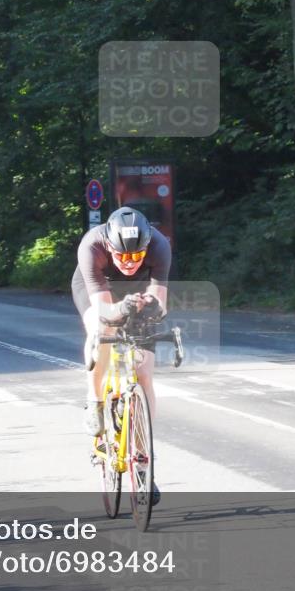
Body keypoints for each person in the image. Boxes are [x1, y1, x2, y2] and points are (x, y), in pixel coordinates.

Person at [71, 208, 170, 496]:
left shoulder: (159, 245)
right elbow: (103, 310)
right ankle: (95, 401)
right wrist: (120, 309)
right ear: (110, 246)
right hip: (97, 288)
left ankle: (142, 458)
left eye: (136, 256)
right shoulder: (92, 246)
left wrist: (147, 307)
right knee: (101, 331)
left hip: (138, 290)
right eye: (123, 256)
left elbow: (160, 305)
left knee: (144, 371)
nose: (129, 262)